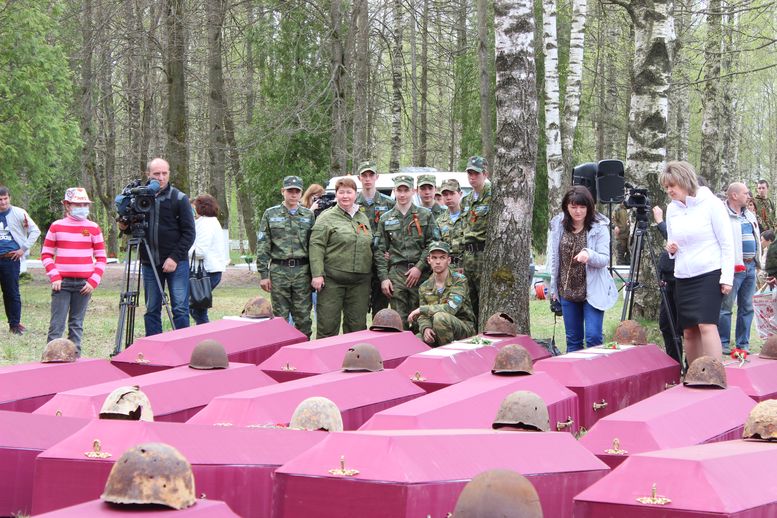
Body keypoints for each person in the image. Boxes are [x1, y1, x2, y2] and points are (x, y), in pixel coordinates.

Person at [660, 161, 734, 364]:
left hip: (709, 272)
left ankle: (714, 373)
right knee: (689, 330)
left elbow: (727, 243)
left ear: (685, 181)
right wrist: (671, 249)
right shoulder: (672, 209)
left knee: (706, 325)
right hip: (683, 274)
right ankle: (693, 375)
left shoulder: (711, 204)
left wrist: (727, 277)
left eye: (672, 186)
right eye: (666, 187)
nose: (669, 191)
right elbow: (673, 241)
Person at [549, 186, 618, 351]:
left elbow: (604, 259)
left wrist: (589, 254)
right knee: (573, 341)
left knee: (593, 337)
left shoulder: (599, 227)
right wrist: (553, 287)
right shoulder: (558, 225)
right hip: (567, 291)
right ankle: (574, 376)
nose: (578, 211)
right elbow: (554, 258)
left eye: (582, 207)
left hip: (592, 290)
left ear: (589, 207)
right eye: (573, 207)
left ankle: (597, 375)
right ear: (566, 207)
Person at [135, 158, 196, 336]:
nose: (161, 177)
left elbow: (189, 233)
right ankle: (155, 349)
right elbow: (132, 227)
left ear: (169, 173)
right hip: (149, 263)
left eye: (164, 173)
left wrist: (174, 257)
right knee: (151, 308)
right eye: (156, 174)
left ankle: (183, 348)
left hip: (177, 263)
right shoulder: (140, 198)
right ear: (148, 174)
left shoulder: (179, 198)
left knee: (180, 308)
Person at [40, 188, 106, 353]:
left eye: (85, 204)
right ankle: (52, 357)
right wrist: (54, 276)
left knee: (76, 324)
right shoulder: (56, 227)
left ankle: (74, 359)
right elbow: (46, 254)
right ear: (67, 205)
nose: (82, 207)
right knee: (57, 324)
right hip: (61, 284)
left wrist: (93, 281)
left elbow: (101, 257)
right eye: (78, 204)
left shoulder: (93, 228)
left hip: (84, 285)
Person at [309, 177, 373, 338]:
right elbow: (316, 246)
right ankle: (325, 361)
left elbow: (369, 244)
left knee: (357, 327)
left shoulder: (362, 218)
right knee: (328, 326)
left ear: (355, 195)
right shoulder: (326, 217)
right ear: (336, 195)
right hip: (332, 281)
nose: (345, 196)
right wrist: (317, 274)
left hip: (360, 282)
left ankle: (354, 361)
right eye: (341, 192)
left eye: (349, 192)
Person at [375, 175, 439, 329]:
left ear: (413, 191)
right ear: (394, 191)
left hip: (421, 274)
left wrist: (419, 267)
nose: (402, 194)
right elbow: (379, 250)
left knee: (420, 320)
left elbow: (432, 243)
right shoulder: (385, 218)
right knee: (399, 322)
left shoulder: (425, 215)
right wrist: (384, 278)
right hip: (397, 274)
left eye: (406, 190)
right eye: (399, 190)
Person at [256, 176, 315, 338]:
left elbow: (314, 246)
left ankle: (304, 351)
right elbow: (263, 245)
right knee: (280, 318)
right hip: (279, 271)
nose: (293, 194)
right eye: (290, 191)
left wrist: (316, 273)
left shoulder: (308, 215)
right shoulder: (270, 214)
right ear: (283, 192)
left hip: (302, 272)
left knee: (303, 317)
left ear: (301, 193)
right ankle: (281, 352)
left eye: (297, 191)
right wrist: (263, 274)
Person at [718, 182, 760, 353]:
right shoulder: (722, 214)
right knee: (726, 307)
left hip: (750, 267)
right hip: (734, 267)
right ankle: (723, 343)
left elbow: (756, 237)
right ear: (734, 195)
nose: (749, 196)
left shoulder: (749, 215)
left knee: (747, 307)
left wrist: (758, 263)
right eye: (745, 193)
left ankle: (743, 344)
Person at [408, 241, 476, 346]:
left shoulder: (459, 280)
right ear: (429, 260)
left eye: (442, 258)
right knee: (415, 341)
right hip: (436, 327)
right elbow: (423, 317)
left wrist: (422, 309)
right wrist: (426, 328)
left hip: (462, 328)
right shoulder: (424, 287)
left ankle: (448, 357)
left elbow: (451, 308)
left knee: (441, 318)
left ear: (448, 260)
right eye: (434, 258)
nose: (438, 262)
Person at [355, 161, 395, 317]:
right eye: (364, 175)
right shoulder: (353, 203)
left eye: (371, 175)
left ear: (376, 177)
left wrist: (391, 252)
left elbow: (395, 230)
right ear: (359, 178)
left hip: (381, 263)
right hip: (360, 262)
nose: (367, 179)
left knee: (380, 308)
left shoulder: (389, 203)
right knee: (358, 309)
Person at [0, 185, 40, 335]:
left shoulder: (19, 213)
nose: (3, 202)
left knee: (11, 292)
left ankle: (14, 324)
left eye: (5, 199)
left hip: (11, 258)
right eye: (0, 200)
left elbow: (35, 231)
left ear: (9, 198)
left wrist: (23, 249)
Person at [461, 155, 492, 328]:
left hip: (483, 254)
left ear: (485, 174)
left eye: (476, 173)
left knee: (484, 301)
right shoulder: (466, 200)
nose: (472, 177)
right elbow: (462, 229)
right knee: (469, 302)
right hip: (468, 256)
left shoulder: (493, 195)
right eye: (470, 173)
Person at [189, 194, 228, 325]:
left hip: (206, 272)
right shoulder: (209, 222)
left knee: (196, 308)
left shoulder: (206, 223)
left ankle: (206, 336)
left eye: (193, 208)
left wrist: (181, 249)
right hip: (209, 271)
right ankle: (205, 336)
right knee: (197, 308)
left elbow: (200, 251)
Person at [652, 205, 683, 364]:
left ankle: (691, 366)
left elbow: (675, 240)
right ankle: (674, 363)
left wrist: (660, 222)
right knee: (666, 324)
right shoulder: (675, 211)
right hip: (667, 278)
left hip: (683, 280)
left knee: (684, 326)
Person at [437, 179, 466, 273]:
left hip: (468, 267)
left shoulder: (469, 216)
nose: (448, 197)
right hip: (448, 269)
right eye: (445, 194)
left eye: (452, 193)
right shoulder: (439, 221)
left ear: (460, 194)